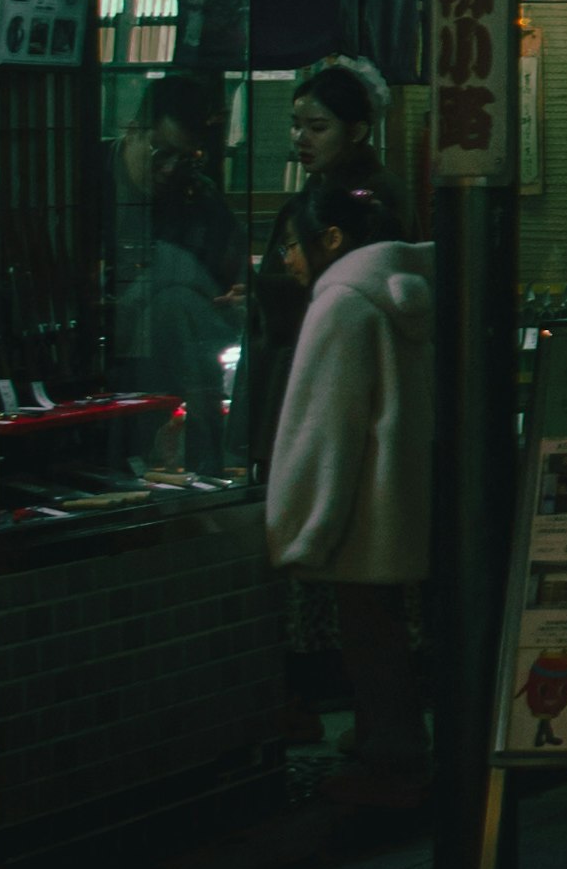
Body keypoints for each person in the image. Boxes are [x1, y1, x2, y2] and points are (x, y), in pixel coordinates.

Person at [264, 217, 437, 808]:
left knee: (368, 634)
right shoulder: (415, 288)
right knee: (408, 632)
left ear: (332, 238)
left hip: (362, 504)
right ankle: (410, 749)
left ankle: (391, 758)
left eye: (289, 243)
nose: (285, 258)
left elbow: (323, 428)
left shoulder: (340, 303)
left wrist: (297, 524)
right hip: (411, 499)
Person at [242, 58, 397, 488]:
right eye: (296, 125)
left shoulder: (365, 202)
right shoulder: (322, 187)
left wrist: (264, 292)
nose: (300, 138)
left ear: (358, 131)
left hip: (328, 377)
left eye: (317, 127)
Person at [112, 69, 245, 477]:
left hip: (188, 363)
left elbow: (233, 281)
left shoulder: (200, 198)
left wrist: (239, 297)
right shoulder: (86, 182)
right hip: (110, 358)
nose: (171, 169)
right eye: (161, 152)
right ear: (134, 131)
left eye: (185, 159)